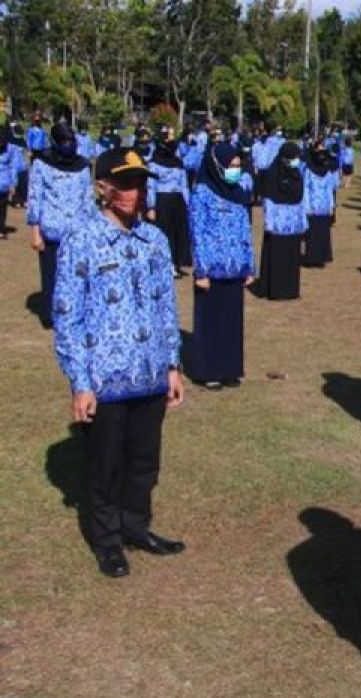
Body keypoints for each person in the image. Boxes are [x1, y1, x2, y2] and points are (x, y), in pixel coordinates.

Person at [52, 148, 186, 578]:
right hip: (105, 378)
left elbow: (167, 308)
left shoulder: (155, 240)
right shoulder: (82, 239)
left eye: (140, 183)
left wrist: (172, 365)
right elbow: (68, 316)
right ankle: (108, 541)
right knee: (105, 465)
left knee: (144, 461)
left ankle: (136, 526)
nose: (135, 191)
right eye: (126, 183)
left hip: (149, 374)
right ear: (102, 187)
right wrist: (80, 382)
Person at [189, 143, 255, 390]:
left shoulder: (239, 192)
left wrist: (249, 266)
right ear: (217, 166)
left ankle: (230, 369)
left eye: (238, 166)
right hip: (212, 270)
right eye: (232, 166)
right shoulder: (202, 193)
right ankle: (210, 371)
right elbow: (197, 232)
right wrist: (201, 271)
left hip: (235, 267)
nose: (235, 171)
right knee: (211, 322)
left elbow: (245, 231)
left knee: (231, 322)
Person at [27, 122, 94, 328]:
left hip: (78, 233)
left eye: (71, 141)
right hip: (51, 232)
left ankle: (75, 314)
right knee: (52, 276)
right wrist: (35, 231)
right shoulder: (42, 164)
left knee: (77, 277)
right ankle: (51, 315)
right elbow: (35, 197)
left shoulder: (82, 166)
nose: (68, 145)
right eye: (63, 141)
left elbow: (88, 199)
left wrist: (92, 228)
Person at [258, 142, 308, 300]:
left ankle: (290, 290)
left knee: (292, 257)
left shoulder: (297, 175)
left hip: (293, 226)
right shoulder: (272, 175)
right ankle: (275, 289)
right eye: (293, 158)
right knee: (276, 256)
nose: (296, 161)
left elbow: (301, 199)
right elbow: (268, 199)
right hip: (277, 226)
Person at [147, 133, 193, 279]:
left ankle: (177, 263)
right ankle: (167, 265)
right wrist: (151, 206)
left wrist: (188, 203)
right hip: (162, 201)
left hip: (177, 201)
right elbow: (150, 186)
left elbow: (184, 185)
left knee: (179, 233)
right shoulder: (153, 164)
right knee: (165, 234)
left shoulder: (178, 163)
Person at [302, 141, 339, 268]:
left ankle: (322, 258)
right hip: (312, 208)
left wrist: (331, 206)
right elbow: (305, 189)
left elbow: (330, 189)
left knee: (323, 234)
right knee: (312, 234)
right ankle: (311, 258)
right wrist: (306, 206)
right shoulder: (308, 170)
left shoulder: (327, 171)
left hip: (324, 208)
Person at [0, 128, 19, 238]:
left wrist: (13, 183)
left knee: (2, 208)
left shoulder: (11, 149)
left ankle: (1, 229)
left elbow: (13, 167)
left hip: (4, 184)